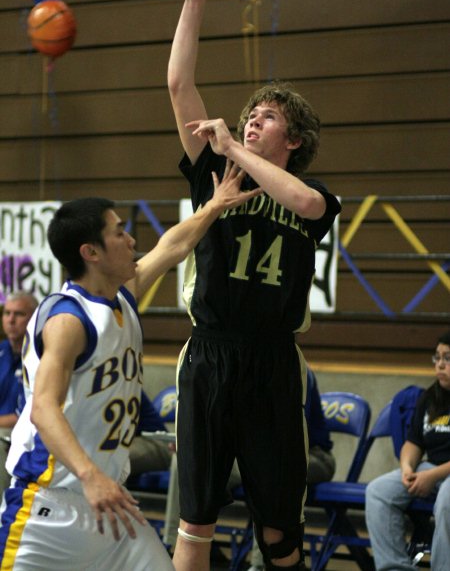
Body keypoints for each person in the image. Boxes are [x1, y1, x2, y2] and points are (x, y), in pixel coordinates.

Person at [151, 0, 341, 571]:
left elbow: (307, 207)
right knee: (195, 521)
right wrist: (196, 2)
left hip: (272, 365)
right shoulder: (216, 175)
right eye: (250, 117)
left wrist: (236, 140)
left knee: (280, 534)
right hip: (209, 356)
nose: (252, 123)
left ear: (296, 141)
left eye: (267, 119)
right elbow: (180, 85)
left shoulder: (311, 197)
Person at [0, 168, 260, 571]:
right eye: (119, 232)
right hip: (49, 506)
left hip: (112, 510)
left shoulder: (123, 296)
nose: (132, 240)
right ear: (91, 252)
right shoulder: (67, 319)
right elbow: (43, 410)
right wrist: (90, 476)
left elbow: (173, 246)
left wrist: (216, 204)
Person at [161, 365, 336, 569]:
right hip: (260, 453)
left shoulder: (287, 367)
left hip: (313, 455)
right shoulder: (222, 368)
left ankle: (259, 563)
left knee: (266, 467)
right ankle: (173, 546)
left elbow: (282, 436)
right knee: (184, 462)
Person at [365, 330, 450, 571]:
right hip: (431, 469)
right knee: (378, 492)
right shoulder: (429, 397)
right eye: (437, 357)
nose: (440, 365)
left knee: (447, 498)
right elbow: (413, 443)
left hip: (441, 475)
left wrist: (431, 476)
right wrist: (407, 469)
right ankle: (395, 568)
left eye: (448, 358)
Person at [0, 292, 39, 499]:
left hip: (25, 432)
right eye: (7, 313)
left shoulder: (41, 354)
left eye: (19, 314)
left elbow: (28, 413)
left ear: (34, 318)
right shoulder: (2, 352)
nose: (11, 320)